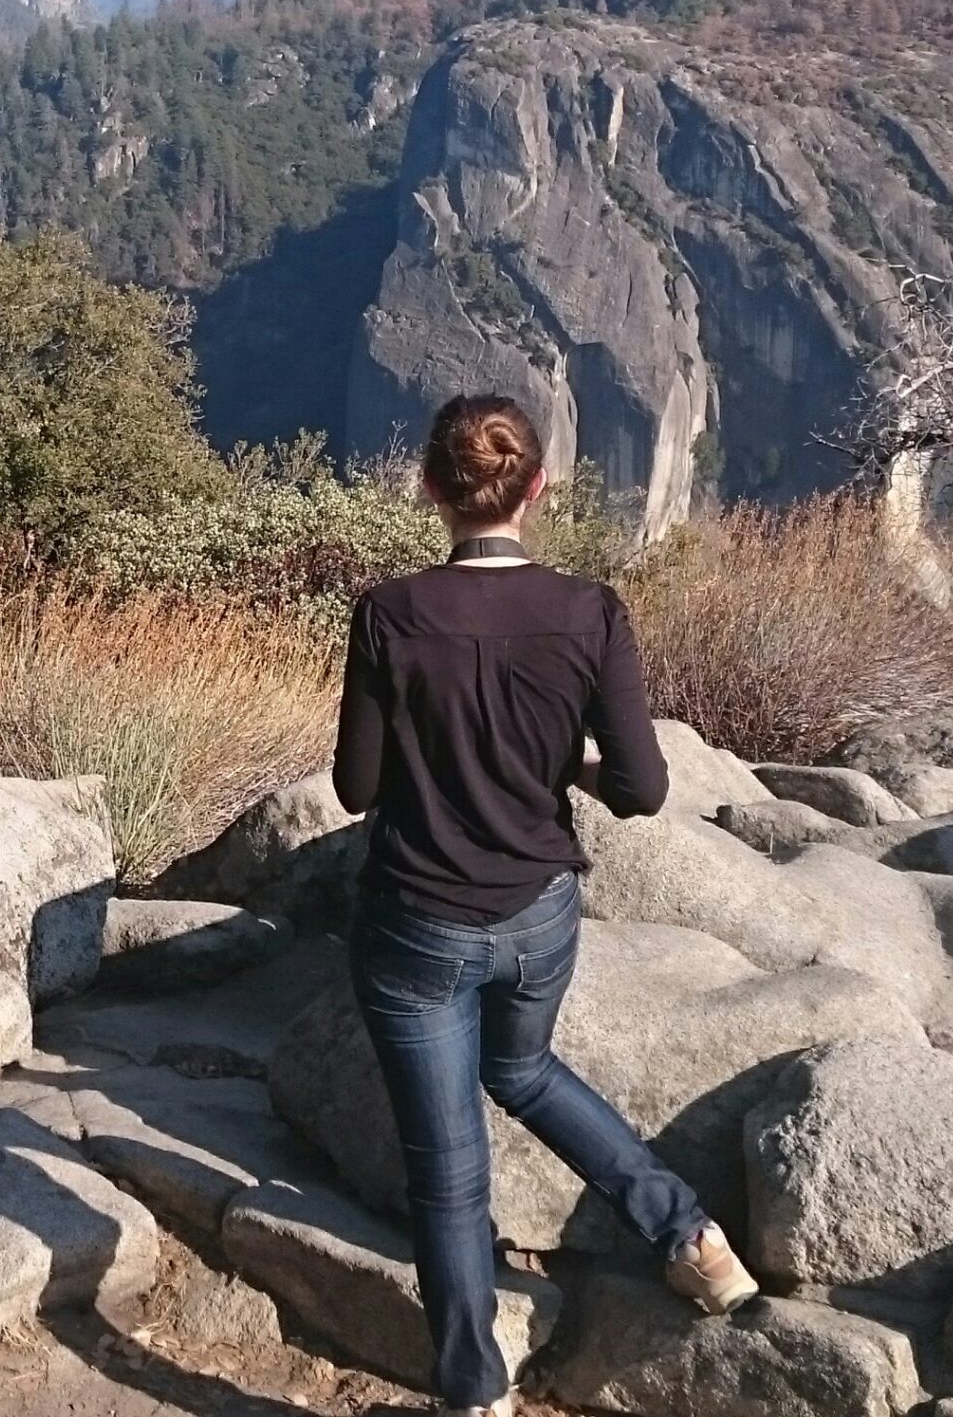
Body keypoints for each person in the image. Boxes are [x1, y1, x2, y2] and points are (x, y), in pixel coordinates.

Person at [334, 393, 759, 1417]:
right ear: (537, 489)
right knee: (520, 1069)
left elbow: (356, 786)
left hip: (418, 920)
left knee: (447, 1172)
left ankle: (474, 1392)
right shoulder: (589, 612)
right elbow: (646, 789)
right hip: (536, 916)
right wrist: (557, 757)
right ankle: (690, 1239)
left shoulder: (390, 613)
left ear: (431, 488)